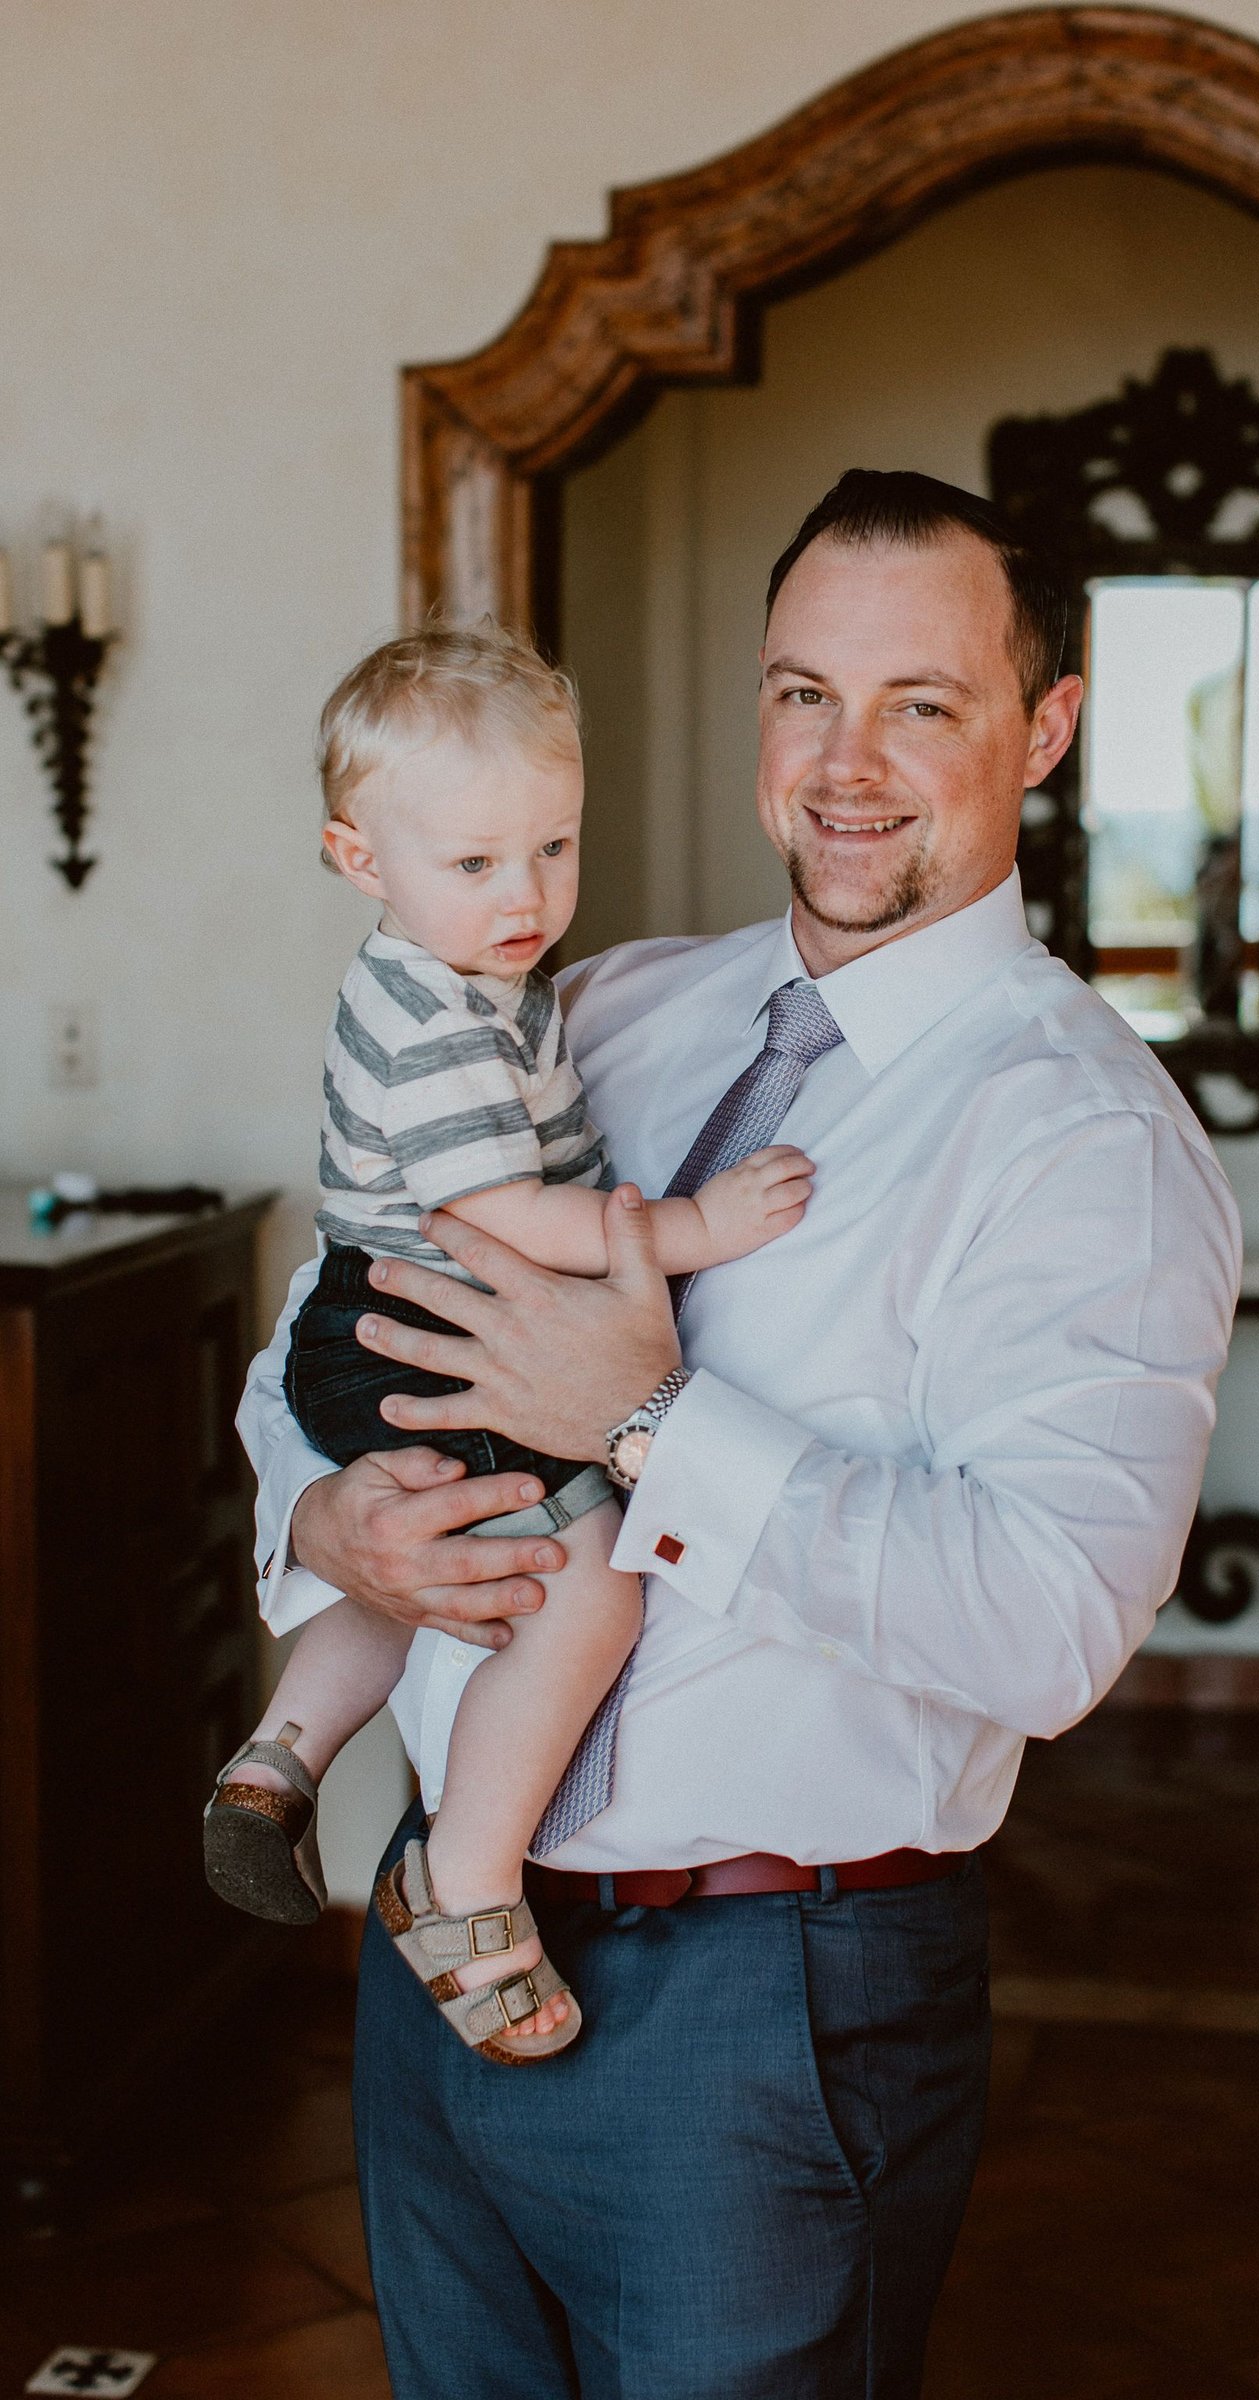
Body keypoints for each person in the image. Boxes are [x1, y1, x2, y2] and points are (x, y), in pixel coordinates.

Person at [238, 469, 1242, 2399]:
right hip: (439, 1938)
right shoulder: (595, 1004)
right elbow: (324, 1321)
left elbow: (1048, 1628)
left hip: (764, 2007)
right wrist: (339, 1520)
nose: (844, 764)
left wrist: (646, 1421)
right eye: (802, 692)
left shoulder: (1086, 1139)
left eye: (919, 704)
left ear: (1042, 727)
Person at [212, 623, 812, 2060]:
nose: (529, 892)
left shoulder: (482, 983)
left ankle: (278, 1760)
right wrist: (693, 1233)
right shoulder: (430, 1016)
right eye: (476, 863)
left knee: (423, 1552)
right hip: (421, 1321)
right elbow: (507, 1218)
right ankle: (461, 1876)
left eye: (553, 846)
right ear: (361, 859)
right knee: (590, 1577)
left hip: (400, 1317)